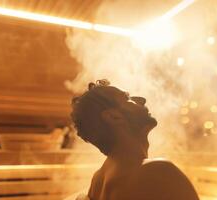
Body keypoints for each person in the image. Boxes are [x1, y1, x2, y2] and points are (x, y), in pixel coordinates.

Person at [71, 79, 199, 200]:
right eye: (127, 98)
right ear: (114, 117)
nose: (142, 100)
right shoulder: (159, 174)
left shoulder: (97, 182)